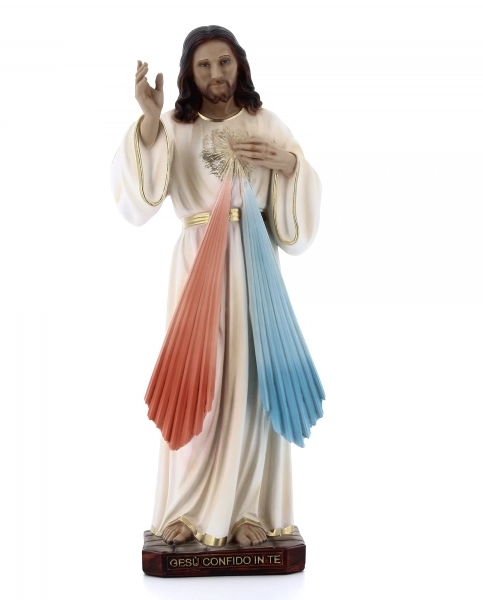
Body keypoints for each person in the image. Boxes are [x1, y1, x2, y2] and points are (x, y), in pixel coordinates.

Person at [111, 25, 322, 548]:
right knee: (197, 376)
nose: (216, 74)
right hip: (196, 262)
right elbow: (141, 199)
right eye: (204, 65)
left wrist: (289, 165)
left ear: (239, 64)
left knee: (251, 383)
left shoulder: (265, 122)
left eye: (224, 62)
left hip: (254, 262)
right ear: (190, 72)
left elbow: (297, 202)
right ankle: (187, 509)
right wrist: (148, 118)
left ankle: (248, 511)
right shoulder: (176, 125)